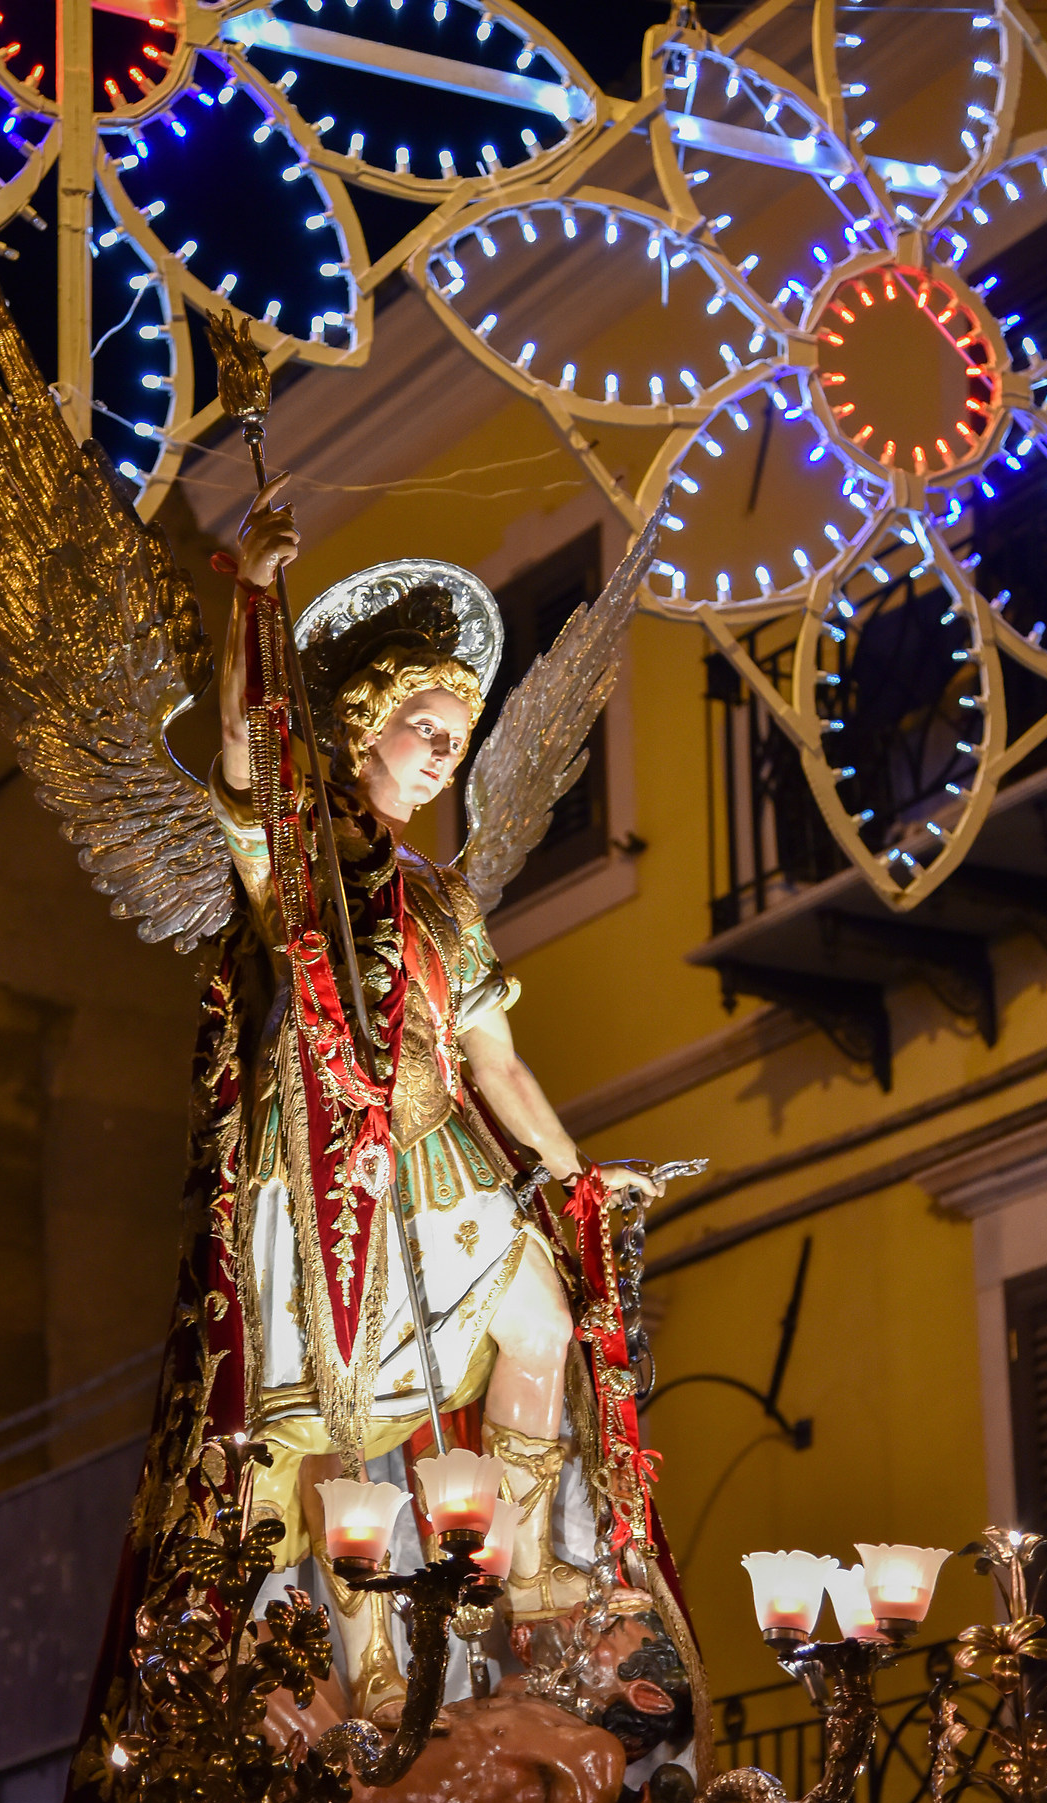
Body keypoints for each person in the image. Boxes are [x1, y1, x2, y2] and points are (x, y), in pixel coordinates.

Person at [211, 474, 660, 1713]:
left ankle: (510, 1571)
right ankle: (366, 1680)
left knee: (542, 1325)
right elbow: (248, 759)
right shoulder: (297, 865)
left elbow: (498, 1062)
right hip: (324, 1171)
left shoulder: (446, 905)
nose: (447, 754)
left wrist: (573, 1180)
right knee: (341, 1425)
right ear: (364, 727)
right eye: (429, 728)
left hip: (443, 1152)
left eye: (460, 739)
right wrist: (252, 591)